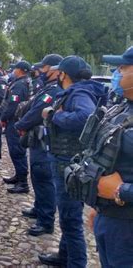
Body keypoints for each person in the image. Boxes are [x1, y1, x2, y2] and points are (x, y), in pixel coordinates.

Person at [38, 55, 107, 267]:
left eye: (59, 72)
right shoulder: (75, 91)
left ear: (64, 74)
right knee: (68, 217)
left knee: (71, 220)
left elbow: (85, 116)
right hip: (65, 160)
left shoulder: (79, 92)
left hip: (68, 163)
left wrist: (54, 116)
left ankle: (76, 263)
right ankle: (64, 257)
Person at [79, 47, 133, 267]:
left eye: (123, 68)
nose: (116, 73)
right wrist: (98, 207)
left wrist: (122, 192)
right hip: (110, 219)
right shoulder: (122, 109)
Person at [15, 54, 63, 236]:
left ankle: (46, 220)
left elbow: (37, 112)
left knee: (44, 179)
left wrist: (20, 125)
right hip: (37, 138)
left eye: (43, 68)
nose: (40, 71)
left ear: (55, 69)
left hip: (45, 141)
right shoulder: (48, 87)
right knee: (37, 176)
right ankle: (39, 208)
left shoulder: (54, 91)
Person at [1, 60, 32, 194]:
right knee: (15, 151)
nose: (13, 71)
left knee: (17, 151)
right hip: (15, 119)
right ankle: (18, 176)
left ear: (20, 70)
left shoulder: (19, 85)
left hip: (14, 120)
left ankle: (23, 183)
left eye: (15, 69)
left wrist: (4, 118)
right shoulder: (21, 82)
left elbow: (12, 105)